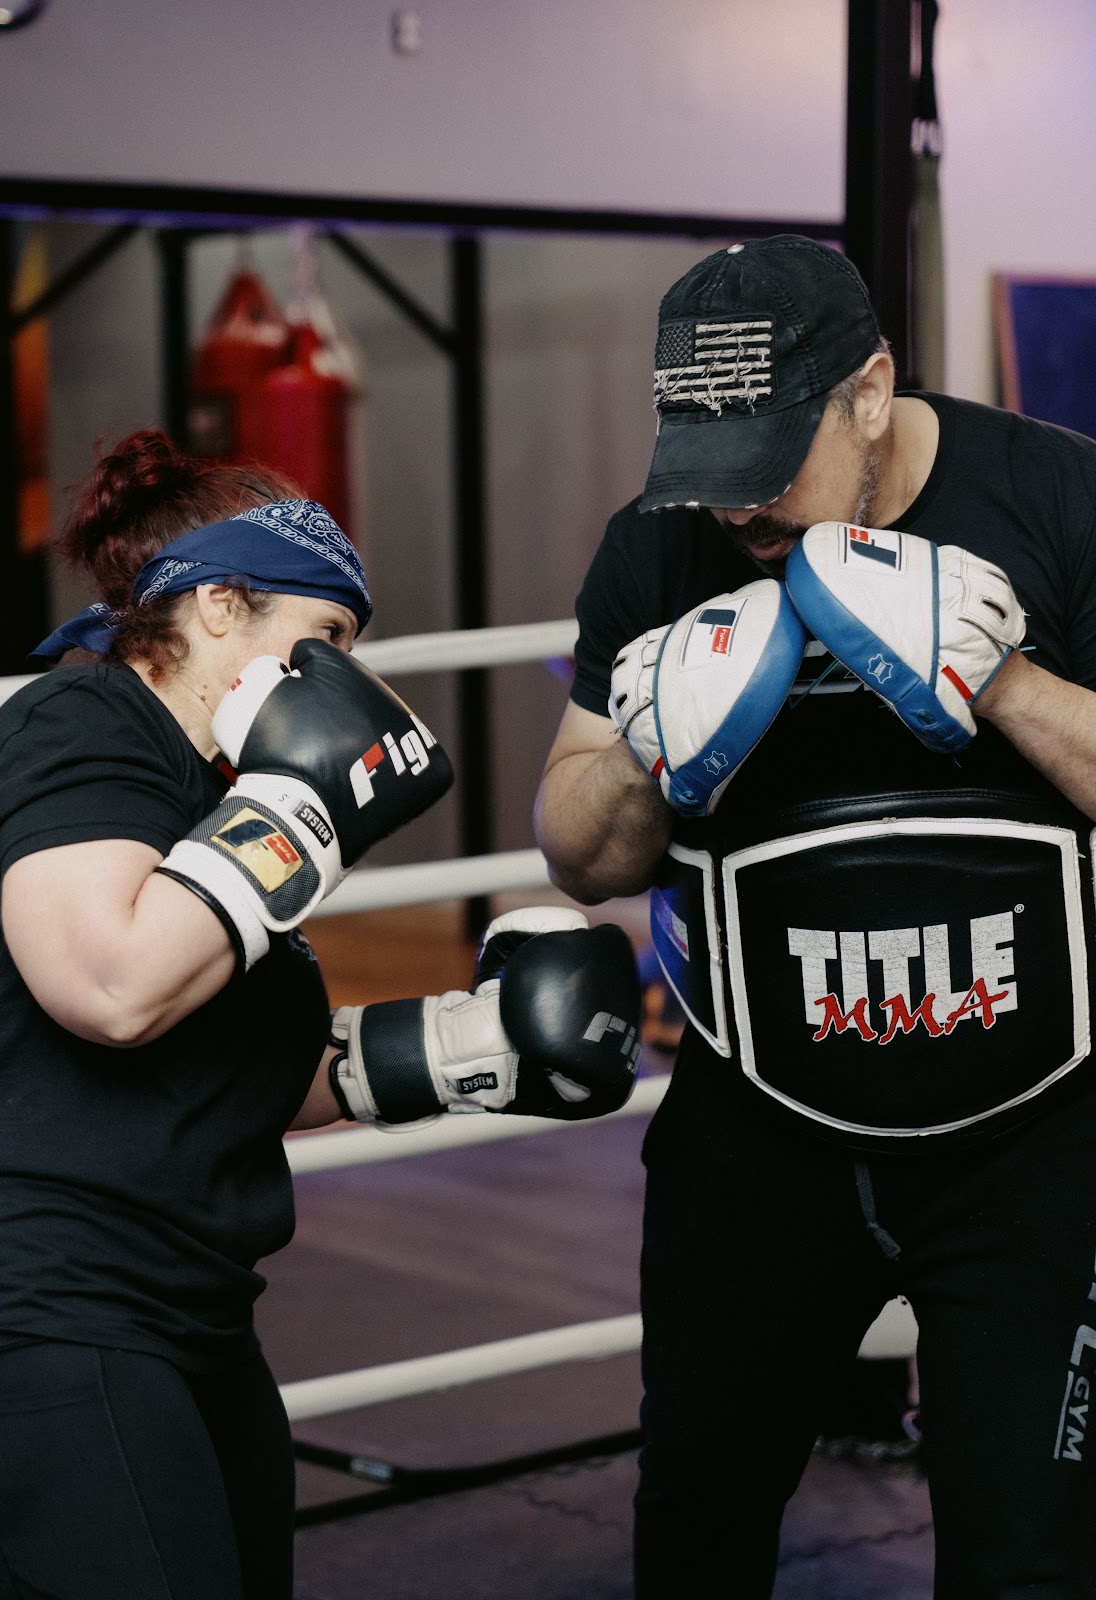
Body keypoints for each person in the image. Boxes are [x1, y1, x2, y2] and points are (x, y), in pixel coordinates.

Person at [0, 429, 642, 1600]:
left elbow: (243, 1063)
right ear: (215, 604)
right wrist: (304, 811)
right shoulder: (83, 726)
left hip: (186, 1295)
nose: (350, 675)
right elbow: (112, 987)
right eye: (328, 638)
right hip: (40, 1283)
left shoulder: (216, 805)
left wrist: (468, 1048)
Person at [533, 235, 1096, 1598]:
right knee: (700, 1521)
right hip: (759, 1130)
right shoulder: (658, 549)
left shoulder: (1059, 496)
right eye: (705, 470)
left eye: (769, 462)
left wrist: (1002, 677)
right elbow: (573, 847)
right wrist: (648, 757)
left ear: (868, 391)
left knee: (1030, 1554)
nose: (737, 511)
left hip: (1027, 1134)